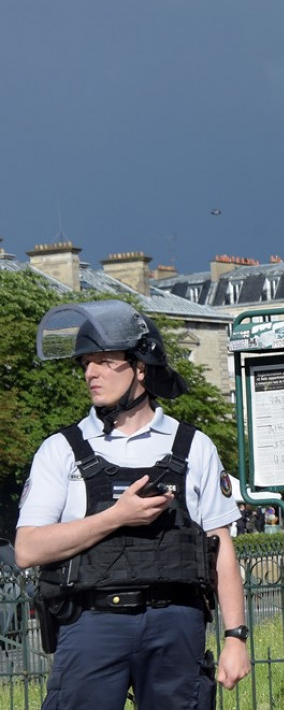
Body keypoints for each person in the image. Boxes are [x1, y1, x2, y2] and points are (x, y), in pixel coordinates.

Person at [15, 299, 251, 709]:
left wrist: (236, 638)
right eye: (86, 363)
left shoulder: (194, 446)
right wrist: (115, 517)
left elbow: (220, 547)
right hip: (93, 623)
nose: (91, 372)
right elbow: (28, 549)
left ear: (141, 367)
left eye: (105, 361)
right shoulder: (61, 449)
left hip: (175, 622)